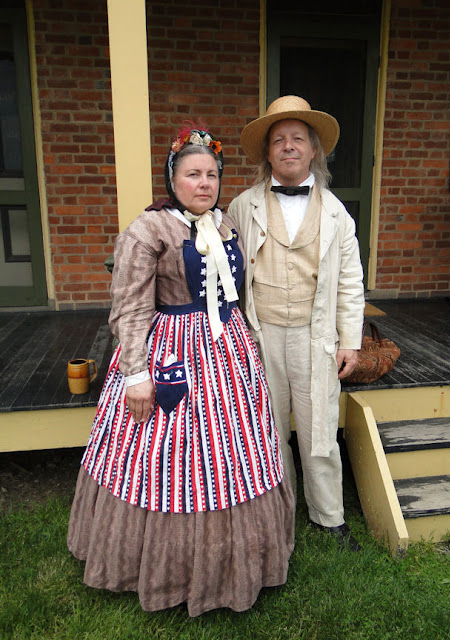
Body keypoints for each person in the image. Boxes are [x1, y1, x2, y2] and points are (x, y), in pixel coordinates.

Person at [67, 123, 295, 616]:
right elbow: (129, 308)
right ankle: (165, 568)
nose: (204, 183)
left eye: (211, 174)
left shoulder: (225, 224)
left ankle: (235, 561)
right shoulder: (149, 229)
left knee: (234, 460)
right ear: (173, 179)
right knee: (169, 465)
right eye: (193, 174)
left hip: (228, 354)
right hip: (171, 354)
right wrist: (135, 374)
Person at [228, 96, 365, 551]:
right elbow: (226, 272)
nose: (288, 147)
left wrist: (350, 341)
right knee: (265, 428)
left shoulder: (336, 213)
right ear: (268, 154)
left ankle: (329, 517)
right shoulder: (242, 206)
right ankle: (276, 512)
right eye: (278, 140)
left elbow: (350, 281)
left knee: (319, 430)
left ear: (313, 150)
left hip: (314, 336)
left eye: (298, 139)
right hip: (260, 334)